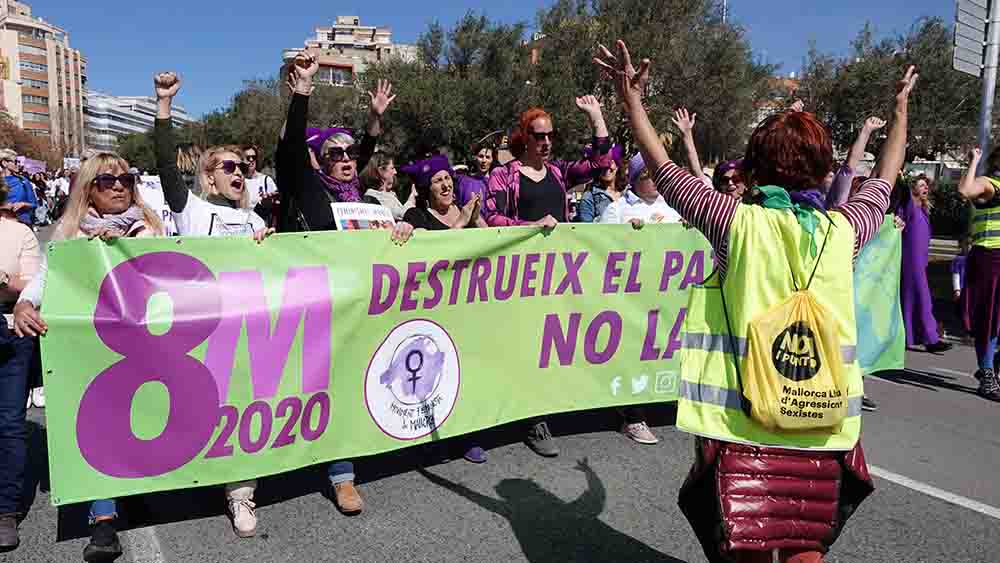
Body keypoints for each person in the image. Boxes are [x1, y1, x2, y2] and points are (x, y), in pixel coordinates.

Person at [595, 40, 917, 562]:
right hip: (823, 424)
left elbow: (665, 169)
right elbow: (884, 178)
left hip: (741, 428)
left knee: (745, 543)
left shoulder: (732, 222)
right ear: (823, 171)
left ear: (753, 170)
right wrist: (900, 112)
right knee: (804, 544)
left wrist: (632, 101)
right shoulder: (846, 230)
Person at [276, 52, 413, 517]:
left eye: (350, 153)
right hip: (311, 303)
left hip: (359, 305)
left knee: (351, 380)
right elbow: (291, 146)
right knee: (314, 384)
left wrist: (400, 230)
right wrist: (303, 90)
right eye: (335, 153)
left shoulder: (362, 199)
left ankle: (346, 465)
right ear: (317, 160)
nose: (347, 159)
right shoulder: (305, 187)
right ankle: (332, 473)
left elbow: (366, 152)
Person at [13, 152, 165, 562]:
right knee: (101, 426)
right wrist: (26, 303)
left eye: (126, 180)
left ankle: (136, 487)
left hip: (149, 348)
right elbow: (46, 277)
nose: (118, 186)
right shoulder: (70, 234)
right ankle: (103, 520)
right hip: (94, 350)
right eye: (106, 181)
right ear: (88, 189)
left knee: (142, 422)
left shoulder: (152, 228)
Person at [153, 71, 274, 538]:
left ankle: (241, 494)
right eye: (227, 166)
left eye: (242, 166)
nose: (238, 172)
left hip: (247, 333)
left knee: (242, 410)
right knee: (198, 410)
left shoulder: (257, 220)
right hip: (200, 332)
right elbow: (166, 165)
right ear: (208, 176)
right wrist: (164, 106)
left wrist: (272, 250)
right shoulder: (192, 210)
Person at [484, 96, 611, 458]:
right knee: (525, 344)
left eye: (550, 135)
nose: (546, 142)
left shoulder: (558, 173)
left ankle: (549, 404)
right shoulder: (503, 175)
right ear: (524, 137)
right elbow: (491, 217)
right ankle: (531, 418)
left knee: (551, 342)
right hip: (521, 275)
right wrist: (531, 226)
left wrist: (596, 116)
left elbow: (601, 163)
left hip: (558, 274)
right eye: (539, 136)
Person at [0, 178, 41, 550]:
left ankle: (5, 511)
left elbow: (33, 284)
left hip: (9, 328)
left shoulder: (19, 233)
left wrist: (4, 281)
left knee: (9, 422)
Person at [957, 147, 1000, 400]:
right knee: (989, 319)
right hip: (990, 258)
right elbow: (965, 190)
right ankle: (986, 374)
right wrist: (974, 161)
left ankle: (990, 363)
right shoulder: (989, 184)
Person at [896, 174, 951, 353]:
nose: (925, 188)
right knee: (923, 298)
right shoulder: (909, 207)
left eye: (926, 186)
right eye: (921, 185)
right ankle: (931, 339)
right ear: (912, 189)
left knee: (909, 298)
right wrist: (901, 176)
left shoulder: (922, 209)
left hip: (919, 261)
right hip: (911, 260)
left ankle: (907, 337)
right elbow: (904, 193)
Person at [402, 155, 486, 231]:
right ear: (428, 189)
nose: (446, 185)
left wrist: (476, 218)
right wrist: (460, 223)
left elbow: (489, 239)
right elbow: (426, 243)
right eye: (438, 180)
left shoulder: (463, 210)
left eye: (447, 178)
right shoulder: (417, 216)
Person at [826, 117, 886, 208]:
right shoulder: (840, 202)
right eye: (857, 180)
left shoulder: (861, 209)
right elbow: (851, 163)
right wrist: (866, 130)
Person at [576, 145, 625, 223]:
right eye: (601, 163)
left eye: (610, 162)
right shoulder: (589, 197)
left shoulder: (628, 192)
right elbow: (586, 228)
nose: (606, 166)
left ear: (617, 166)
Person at [362, 151, 413, 220]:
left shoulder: (389, 194)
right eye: (392, 168)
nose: (395, 172)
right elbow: (402, 215)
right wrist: (412, 198)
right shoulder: (373, 197)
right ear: (381, 171)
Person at [672, 107, 710, 185]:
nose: (730, 183)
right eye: (725, 180)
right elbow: (696, 170)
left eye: (735, 179)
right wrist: (687, 133)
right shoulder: (709, 187)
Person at [243, 144, 279, 227]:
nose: (251, 160)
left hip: (262, 228)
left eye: (254, 157)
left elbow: (276, 208)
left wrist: (269, 203)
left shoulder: (266, 180)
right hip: (243, 227)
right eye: (247, 157)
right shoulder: (238, 181)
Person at [0, 151, 36, 227]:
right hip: (3, 225)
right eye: (16, 162)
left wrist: (23, 204)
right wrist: (4, 207)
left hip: (23, 223)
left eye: (19, 162)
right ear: (4, 163)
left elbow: (34, 204)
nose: (19, 165)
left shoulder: (23, 181)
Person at [455, 143, 495, 211]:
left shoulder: (495, 183)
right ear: (475, 158)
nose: (484, 161)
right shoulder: (465, 181)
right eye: (481, 156)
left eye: (487, 157)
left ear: (492, 160)